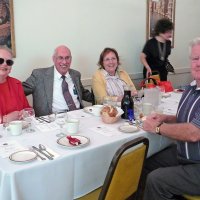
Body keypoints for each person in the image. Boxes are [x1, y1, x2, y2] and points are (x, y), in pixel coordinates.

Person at [142, 37, 200, 200]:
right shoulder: (191, 88)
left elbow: (194, 133)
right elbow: (184, 118)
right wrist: (164, 117)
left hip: (197, 165)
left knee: (156, 180)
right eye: (195, 58)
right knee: (145, 161)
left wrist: (158, 128)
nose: (198, 63)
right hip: (184, 156)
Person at [23, 45, 93, 117]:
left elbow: (83, 93)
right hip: (53, 120)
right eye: (60, 58)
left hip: (78, 115)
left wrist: (101, 96)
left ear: (71, 59)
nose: (64, 62)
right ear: (54, 59)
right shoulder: (39, 75)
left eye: (67, 58)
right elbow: (19, 91)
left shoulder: (75, 74)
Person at [0, 46, 30, 123]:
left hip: (19, 130)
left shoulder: (16, 84)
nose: (4, 64)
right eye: (0, 60)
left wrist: (25, 114)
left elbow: (27, 109)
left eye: (9, 62)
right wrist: (5, 119)